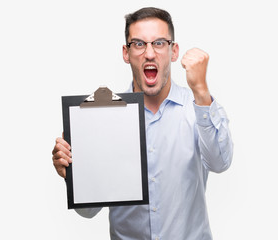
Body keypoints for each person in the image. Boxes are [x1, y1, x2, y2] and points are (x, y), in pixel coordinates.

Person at [52, 7, 233, 240]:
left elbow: (220, 163)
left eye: (159, 43)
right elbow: (89, 211)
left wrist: (200, 90)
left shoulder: (199, 106)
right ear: (126, 53)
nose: (149, 53)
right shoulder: (100, 120)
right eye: (138, 44)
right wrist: (73, 174)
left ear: (173, 51)